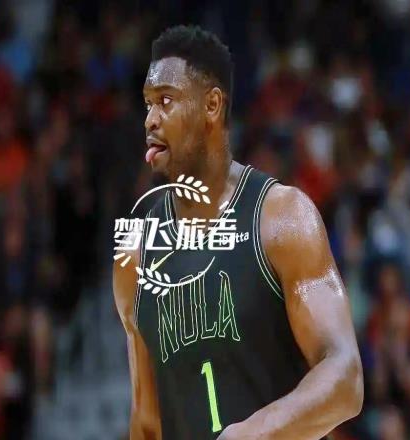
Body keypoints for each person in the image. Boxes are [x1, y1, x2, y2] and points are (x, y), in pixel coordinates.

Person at [113, 25, 363, 440]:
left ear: (212, 106)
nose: (151, 120)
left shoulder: (281, 218)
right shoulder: (136, 254)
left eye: (166, 101)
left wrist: (254, 433)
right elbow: (147, 424)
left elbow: (345, 378)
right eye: (148, 104)